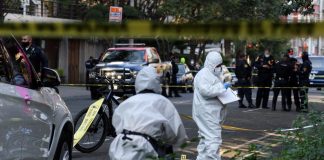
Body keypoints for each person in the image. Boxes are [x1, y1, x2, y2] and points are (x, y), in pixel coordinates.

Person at [109, 66, 187, 160]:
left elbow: (116, 124)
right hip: (145, 147)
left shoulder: (127, 102)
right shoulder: (162, 102)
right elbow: (177, 133)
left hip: (120, 146)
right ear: (157, 82)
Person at [192, 51, 231, 160]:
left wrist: (225, 89)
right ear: (211, 64)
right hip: (207, 114)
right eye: (218, 65)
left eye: (220, 65)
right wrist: (222, 88)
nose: (220, 68)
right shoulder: (203, 74)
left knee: (205, 142)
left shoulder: (213, 74)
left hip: (211, 113)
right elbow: (206, 91)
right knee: (213, 141)